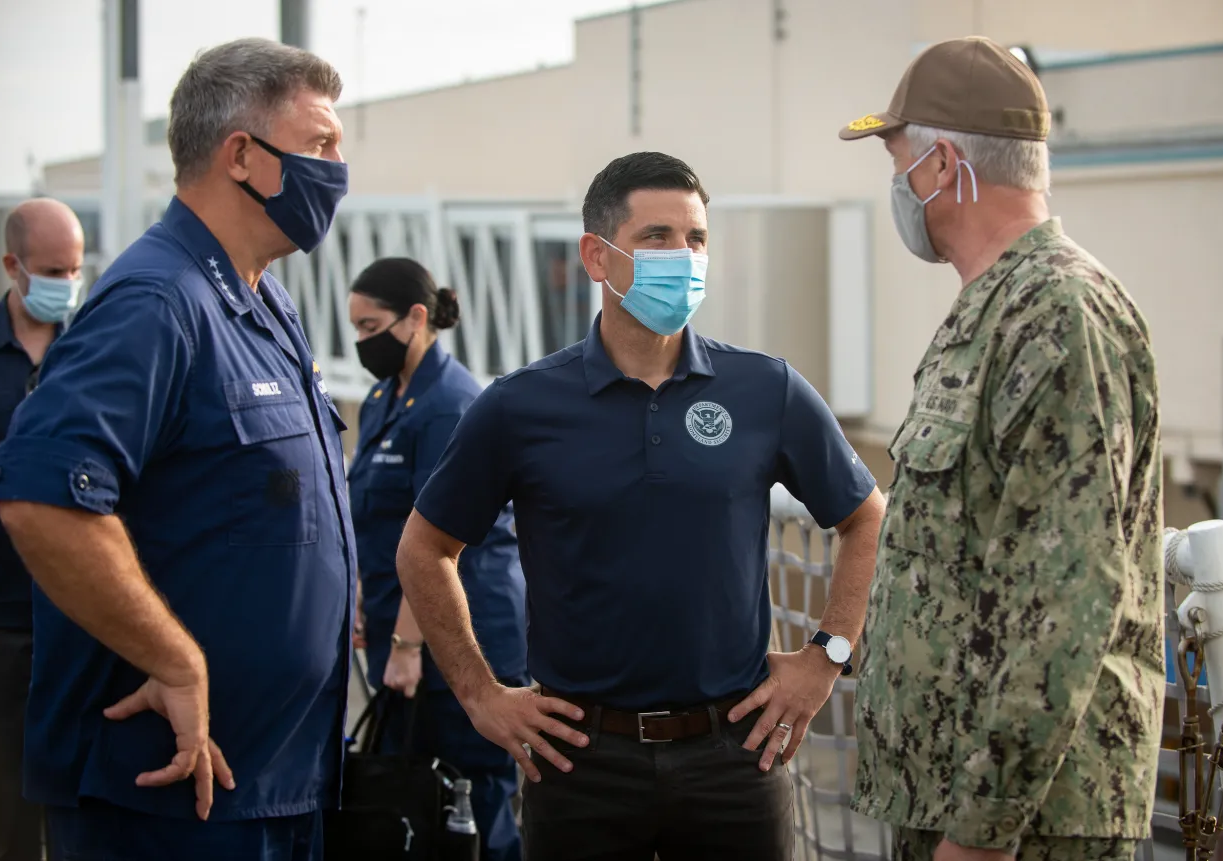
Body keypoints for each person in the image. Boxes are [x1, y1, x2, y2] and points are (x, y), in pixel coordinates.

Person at [395, 150, 887, 860]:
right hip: (579, 761)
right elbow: (425, 548)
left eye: (696, 239)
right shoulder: (520, 405)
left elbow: (864, 515)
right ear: (598, 256)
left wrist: (826, 657)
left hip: (735, 756)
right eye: (658, 237)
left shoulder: (764, 388)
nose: (683, 257)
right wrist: (480, 694)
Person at [0, 38, 355, 861]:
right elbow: (43, 496)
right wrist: (174, 658)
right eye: (322, 144)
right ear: (241, 157)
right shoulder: (159, 299)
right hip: (163, 798)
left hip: (263, 782)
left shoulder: (266, 304)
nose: (339, 167)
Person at [838, 36, 1163, 861]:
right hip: (961, 807)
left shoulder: (1059, 315)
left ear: (945, 164)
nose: (899, 188)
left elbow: (1067, 599)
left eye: (901, 161)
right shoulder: (997, 307)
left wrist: (980, 835)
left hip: (1028, 829)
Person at [346, 257, 528, 861]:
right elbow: (372, 518)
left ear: (416, 318)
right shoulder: (382, 397)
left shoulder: (451, 405)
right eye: (358, 330)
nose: (363, 343)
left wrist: (406, 644)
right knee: (414, 801)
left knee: (468, 804)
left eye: (372, 328)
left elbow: (441, 542)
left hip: (454, 640)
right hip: (400, 636)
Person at [0, 198, 84, 861]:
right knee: (6, 785)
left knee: (75, 776)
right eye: (52, 269)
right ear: (12, 267)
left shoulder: (91, 350)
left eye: (75, 269)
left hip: (81, 607)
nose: (65, 283)